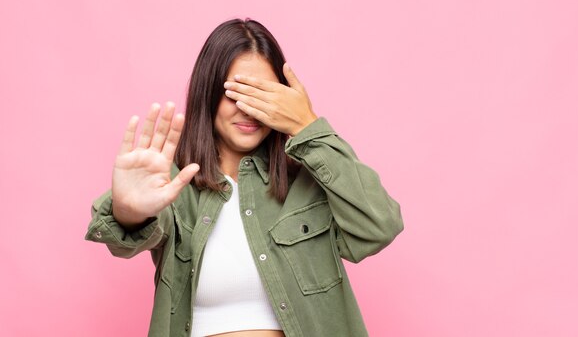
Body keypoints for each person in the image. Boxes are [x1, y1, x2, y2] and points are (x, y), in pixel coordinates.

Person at [86, 18, 403, 337]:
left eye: (262, 94)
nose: (248, 109)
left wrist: (307, 125)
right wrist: (128, 211)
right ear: (207, 93)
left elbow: (379, 226)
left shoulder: (309, 182)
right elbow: (127, 237)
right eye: (233, 92)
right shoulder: (175, 183)